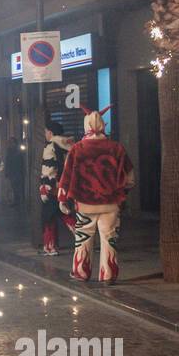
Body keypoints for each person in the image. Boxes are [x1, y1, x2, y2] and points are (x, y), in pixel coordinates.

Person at [56, 106, 134, 284]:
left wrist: (62, 198)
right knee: (109, 239)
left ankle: (81, 272)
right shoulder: (117, 148)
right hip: (111, 203)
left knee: (83, 237)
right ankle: (108, 274)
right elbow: (129, 178)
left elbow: (66, 177)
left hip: (85, 203)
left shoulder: (77, 149)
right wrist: (122, 194)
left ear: (86, 126)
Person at [39, 121, 74, 256]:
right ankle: (83, 238)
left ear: (51, 133)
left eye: (46, 132)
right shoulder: (68, 145)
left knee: (49, 216)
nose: (45, 134)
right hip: (64, 185)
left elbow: (48, 168)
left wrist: (45, 185)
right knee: (63, 212)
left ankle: (50, 247)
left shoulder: (51, 146)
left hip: (52, 186)